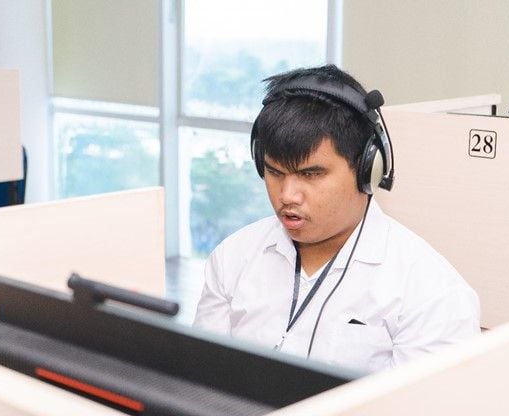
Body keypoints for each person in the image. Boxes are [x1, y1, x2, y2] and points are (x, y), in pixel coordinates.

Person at [193, 64, 480, 374]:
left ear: (367, 170)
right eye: (275, 172)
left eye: (311, 174)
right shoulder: (232, 258)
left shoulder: (431, 293)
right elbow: (202, 380)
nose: (287, 195)